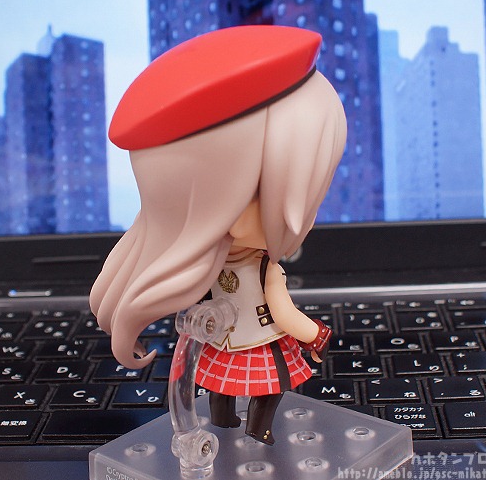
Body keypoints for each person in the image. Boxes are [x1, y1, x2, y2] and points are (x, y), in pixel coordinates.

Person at [90, 25, 347, 445]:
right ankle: (258, 428)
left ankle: (224, 421)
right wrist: (316, 335)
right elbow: (283, 314)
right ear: (232, 203)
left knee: (220, 386)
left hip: (220, 344)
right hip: (257, 342)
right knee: (271, 386)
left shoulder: (202, 268)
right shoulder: (265, 270)